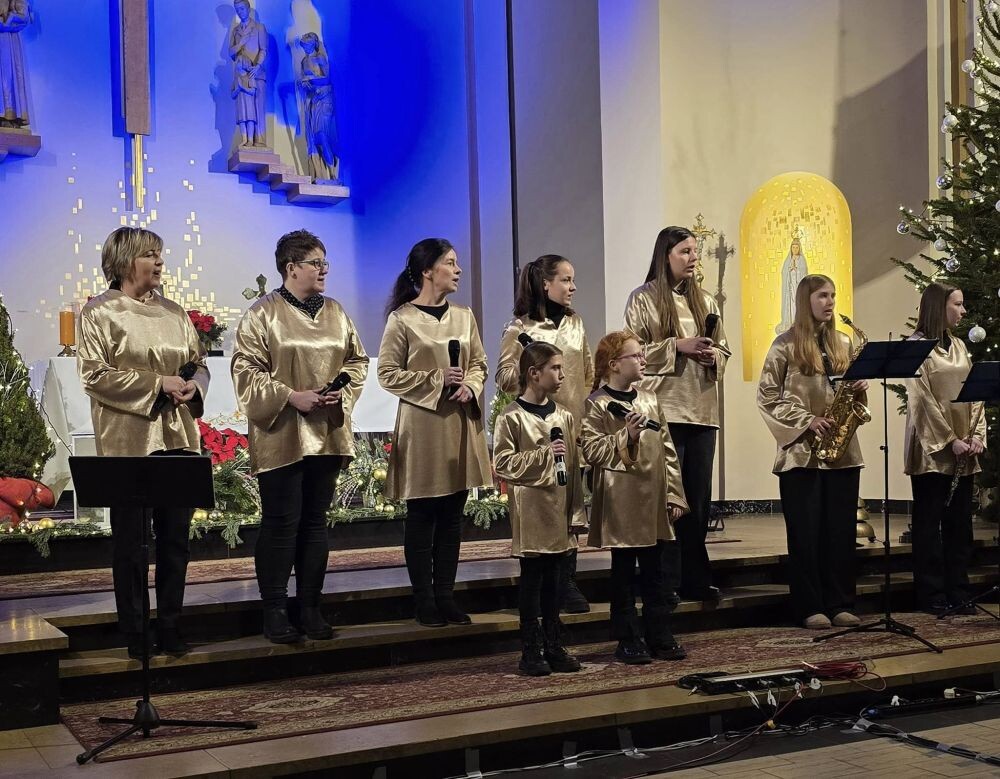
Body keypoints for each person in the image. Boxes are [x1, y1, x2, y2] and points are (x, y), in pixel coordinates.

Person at [78, 227, 209, 659]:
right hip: (128, 441)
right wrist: (158, 385)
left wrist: (193, 387)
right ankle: (135, 629)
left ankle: (170, 623)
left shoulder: (175, 312)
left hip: (178, 437)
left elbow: (198, 364)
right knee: (132, 542)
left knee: (176, 539)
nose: (159, 262)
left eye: (160, 254)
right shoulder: (99, 312)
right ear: (125, 260)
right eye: (151, 255)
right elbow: (94, 376)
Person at [232, 230, 368, 644]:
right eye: (315, 263)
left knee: (314, 524)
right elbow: (245, 369)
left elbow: (357, 361)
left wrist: (340, 391)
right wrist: (292, 396)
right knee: (280, 523)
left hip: (326, 432)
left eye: (325, 262)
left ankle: (309, 605)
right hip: (282, 432)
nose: (323, 270)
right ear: (291, 268)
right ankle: (274, 609)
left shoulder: (337, 312)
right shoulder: (263, 313)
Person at [378, 238, 492, 627]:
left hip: (459, 422)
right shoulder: (403, 318)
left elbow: (479, 363)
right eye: (450, 263)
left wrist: (470, 386)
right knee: (423, 514)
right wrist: (436, 378)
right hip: (423, 424)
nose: (458, 270)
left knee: (452, 516)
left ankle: (446, 595)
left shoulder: (464, 315)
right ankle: (423, 598)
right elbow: (387, 374)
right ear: (428, 270)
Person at [625, 226, 730, 605]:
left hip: (701, 409)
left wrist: (711, 354)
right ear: (666, 255)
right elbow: (632, 353)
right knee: (667, 497)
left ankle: (695, 576)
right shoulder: (644, 299)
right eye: (685, 251)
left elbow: (725, 352)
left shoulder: (705, 301)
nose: (693, 258)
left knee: (698, 499)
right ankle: (664, 577)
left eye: (695, 252)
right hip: (663, 408)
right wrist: (678, 346)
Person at [756, 274, 866, 630]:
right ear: (806, 300)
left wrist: (858, 388)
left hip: (842, 453)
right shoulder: (784, 345)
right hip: (801, 455)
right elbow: (767, 397)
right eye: (822, 295)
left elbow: (849, 399)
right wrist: (806, 421)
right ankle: (810, 605)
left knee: (840, 533)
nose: (830, 302)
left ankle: (841, 602)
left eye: (833, 295)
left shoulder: (843, 342)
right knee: (805, 533)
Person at [581, 330, 688, 664]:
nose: (644, 360)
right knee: (624, 573)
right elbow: (593, 450)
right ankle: (628, 637)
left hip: (653, 498)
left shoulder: (650, 398)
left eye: (643, 355)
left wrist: (674, 493)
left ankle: (660, 633)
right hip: (621, 501)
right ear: (614, 364)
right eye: (636, 356)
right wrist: (625, 434)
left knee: (657, 572)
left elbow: (667, 449)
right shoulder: (596, 403)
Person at [495, 255, 593, 614]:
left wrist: (584, 419)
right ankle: (540, 581)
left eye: (573, 279)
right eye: (566, 280)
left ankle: (568, 580)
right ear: (545, 284)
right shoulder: (519, 328)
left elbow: (587, 373)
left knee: (570, 505)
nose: (572, 287)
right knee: (544, 506)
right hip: (536, 431)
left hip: (572, 426)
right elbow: (504, 377)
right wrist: (527, 365)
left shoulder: (576, 323)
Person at [494, 342, 585, 676]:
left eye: (562, 368)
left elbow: (573, 469)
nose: (562, 374)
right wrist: (545, 454)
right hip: (531, 510)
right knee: (533, 582)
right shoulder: (511, 417)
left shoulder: (564, 416)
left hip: (559, 509)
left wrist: (577, 513)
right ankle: (530, 649)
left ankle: (554, 643)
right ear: (534, 374)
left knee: (557, 582)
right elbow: (503, 463)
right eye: (555, 368)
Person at [904, 282, 985, 614]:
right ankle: (932, 593)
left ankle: (958, 589)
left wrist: (977, 435)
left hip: (964, 446)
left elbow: (976, 392)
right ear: (939, 307)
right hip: (932, 448)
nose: (963, 311)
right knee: (929, 524)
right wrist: (949, 440)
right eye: (958, 304)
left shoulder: (960, 347)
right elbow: (921, 401)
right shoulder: (916, 347)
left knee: (959, 524)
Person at [297, 32, 339, 183]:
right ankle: (320, 173)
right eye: (304, 47)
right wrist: (304, 83)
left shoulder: (319, 58)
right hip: (313, 101)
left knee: (322, 136)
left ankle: (334, 175)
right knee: (314, 140)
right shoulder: (303, 61)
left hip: (324, 99)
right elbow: (305, 82)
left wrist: (311, 78)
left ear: (313, 44)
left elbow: (327, 77)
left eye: (307, 46)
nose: (306, 49)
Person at [229, 0, 267, 147]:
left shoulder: (259, 28)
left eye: (242, 8)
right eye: (237, 9)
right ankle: (247, 140)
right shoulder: (236, 31)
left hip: (256, 73)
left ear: (248, 8)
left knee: (258, 107)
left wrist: (258, 65)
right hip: (241, 74)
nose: (239, 11)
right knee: (245, 110)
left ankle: (260, 140)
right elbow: (231, 53)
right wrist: (240, 43)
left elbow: (263, 49)